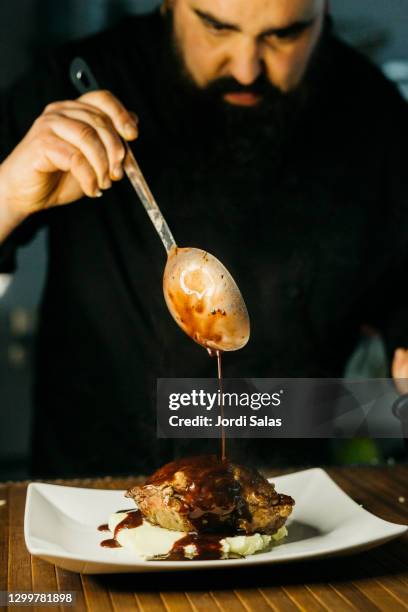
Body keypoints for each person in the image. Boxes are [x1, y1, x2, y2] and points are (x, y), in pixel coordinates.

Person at [0, 0, 407, 477]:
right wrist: (7, 194)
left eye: (284, 35)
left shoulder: (375, 115)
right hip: (91, 490)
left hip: (296, 499)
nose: (247, 68)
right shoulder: (80, 80)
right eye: (217, 28)